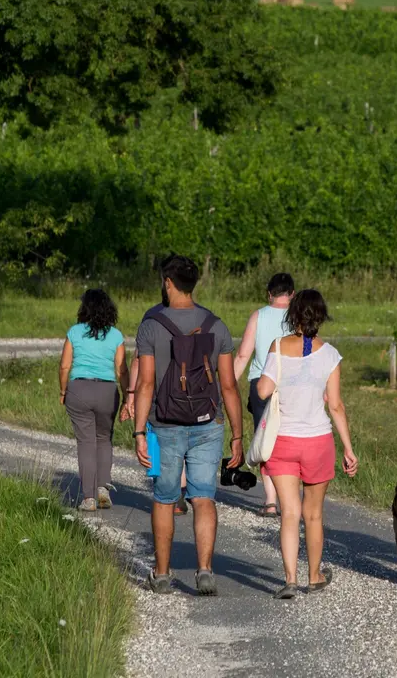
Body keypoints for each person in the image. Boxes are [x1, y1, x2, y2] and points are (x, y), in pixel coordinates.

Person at [133, 255, 244, 595]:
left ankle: (163, 574)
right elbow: (228, 386)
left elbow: (147, 383)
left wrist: (139, 430)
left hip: (165, 423)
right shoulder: (216, 325)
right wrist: (238, 434)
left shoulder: (151, 325)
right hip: (207, 423)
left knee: (165, 497)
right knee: (203, 496)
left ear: (168, 283)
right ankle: (205, 570)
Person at [256, 289, 358, 599]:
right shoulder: (330, 355)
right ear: (321, 318)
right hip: (317, 441)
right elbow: (336, 406)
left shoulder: (277, 347)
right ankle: (314, 576)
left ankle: (289, 580)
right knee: (313, 515)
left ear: (293, 316)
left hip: (283, 441)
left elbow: (262, 391)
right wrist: (348, 448)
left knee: (290, 513)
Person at [58, 289, 129, 511]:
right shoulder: (115, 335)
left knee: (86, 443)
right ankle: (102, 489)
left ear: (84, 308)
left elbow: (64, 366)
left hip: (79, 389)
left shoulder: (75, 332)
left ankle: (88, 498)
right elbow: (122, 370)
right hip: (107, 391)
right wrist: (128, 398)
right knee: (104, 439)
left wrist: (63, 391)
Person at [122, 292, 189, 516]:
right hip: (186, 388)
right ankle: (179, 492)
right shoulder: (195, 315)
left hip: (156, 389)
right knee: (182, 438)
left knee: (158, 439)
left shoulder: (151, 317)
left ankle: (168, 493)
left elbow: (138, 360)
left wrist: (131, 394)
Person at [234, 272, 295, 516]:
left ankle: (270, 500)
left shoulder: (258, 316)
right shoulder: (298, 316)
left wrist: (222, 388)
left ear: (269, 294)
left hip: (261, 384)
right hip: (291, 384)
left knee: (265, 439)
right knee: (289, 439)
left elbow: (242, 356)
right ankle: (289, 497)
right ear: (292, 294)